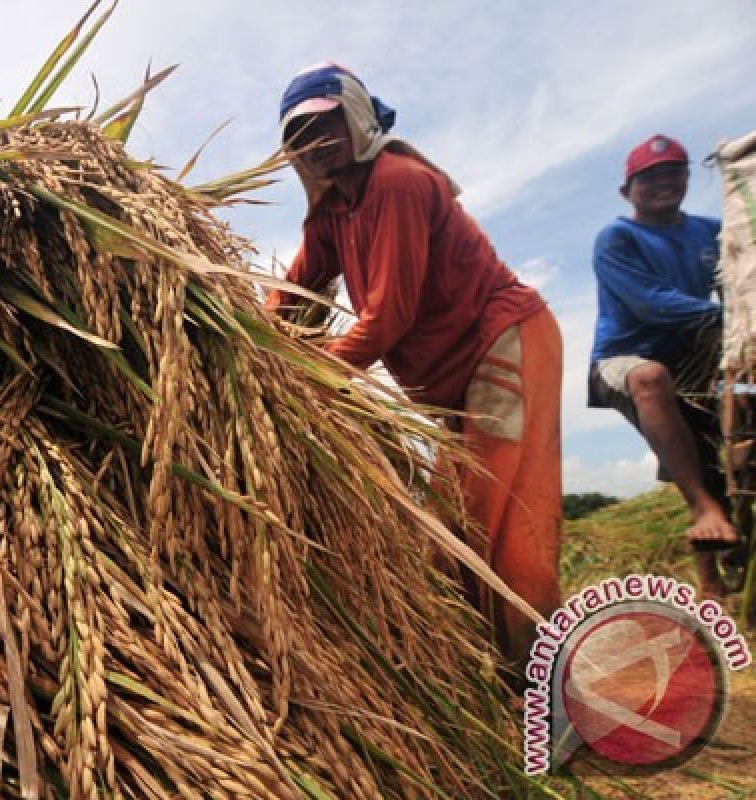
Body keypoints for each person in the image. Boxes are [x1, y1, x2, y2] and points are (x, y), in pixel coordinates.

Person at [264, 62, 563, 670]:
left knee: (502, 518)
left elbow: (389, 315)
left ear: (357, 119)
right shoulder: (331, 217)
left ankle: (539, 681)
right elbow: (295, 295)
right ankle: (481, 669)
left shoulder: (398, 183)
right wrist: (254, 340)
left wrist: (313, 375)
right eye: (298, 137)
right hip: (453, 385)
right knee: (449, 526)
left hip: (504, 344)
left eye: (325, 126)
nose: (314, 146)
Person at [588, 134, 739, 597]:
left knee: (730, 426)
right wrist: (732, 315)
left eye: (674, 172)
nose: (663, 183)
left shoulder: (714, 231)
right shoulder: (618, 238)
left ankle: (719, 576)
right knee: (652, 380)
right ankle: (701, 509)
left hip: (698, 354)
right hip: (626, 360)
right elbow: (653, 305)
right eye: (648, 177)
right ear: (626, 191)